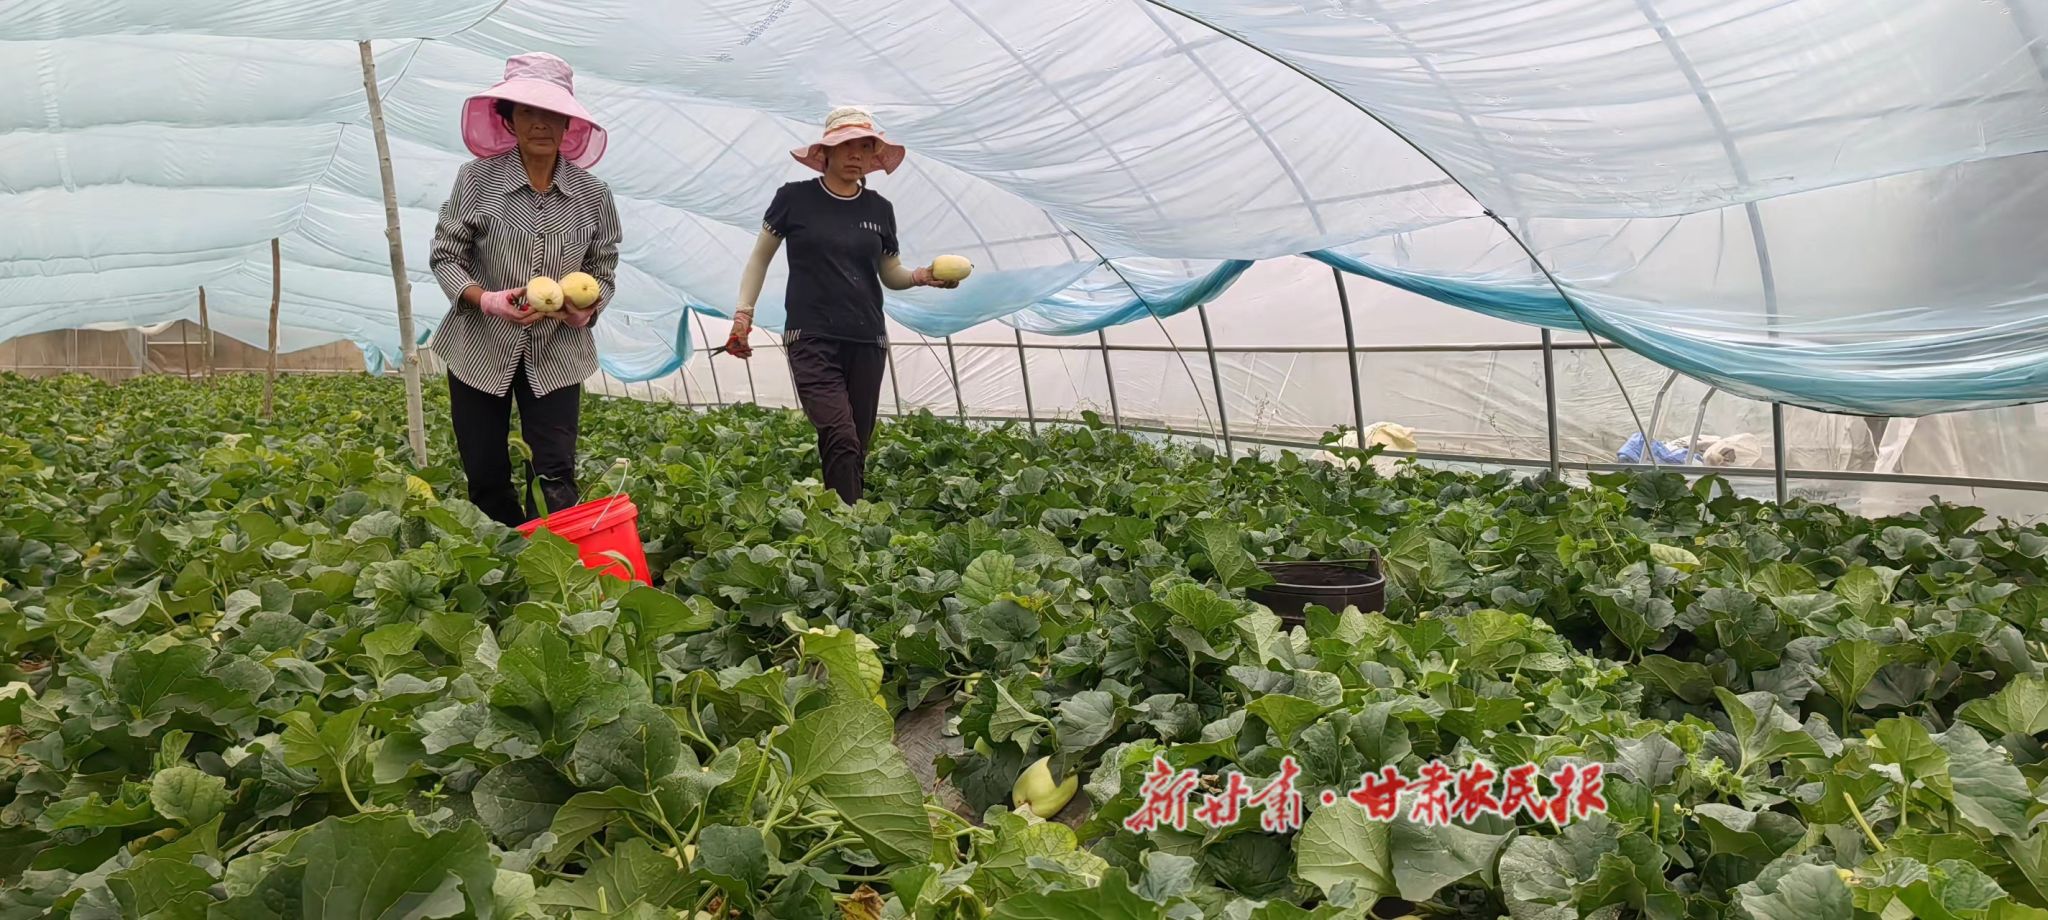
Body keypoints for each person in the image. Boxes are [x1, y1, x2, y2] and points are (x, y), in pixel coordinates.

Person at [724, 107, 959, 506]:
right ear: (826, 151)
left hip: (867, 339)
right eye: (846, 145)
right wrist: (743, 315)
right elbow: (759, 259)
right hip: (811, 336)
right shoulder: (794, 199)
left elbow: (890, 273)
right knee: (840, 433)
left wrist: (923, 275)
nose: (856, 154)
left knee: (856, 444)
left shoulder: (879, 209)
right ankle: (849, 521)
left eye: (865, 147)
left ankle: (839, 519)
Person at [428, 52, 621, 528]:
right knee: (485, 472)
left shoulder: (593, 195)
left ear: (568, 123)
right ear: (508, 119)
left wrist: (586, 309)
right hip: (479, 347)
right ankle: (500, 556)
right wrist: (487, 299)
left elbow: (603, 266)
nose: (540, 123)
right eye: (527, 111)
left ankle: (546, 557)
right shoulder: (477, 180)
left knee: (554, 472)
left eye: (551, 113)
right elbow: (446, 254)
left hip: (557, 351)